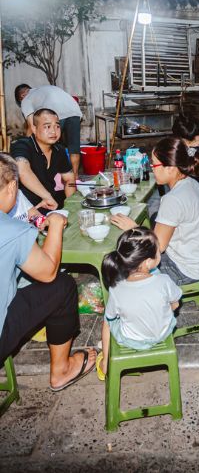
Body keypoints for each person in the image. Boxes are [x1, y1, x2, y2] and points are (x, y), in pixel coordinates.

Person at [0, 153, 96, 391]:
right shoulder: (10, 229)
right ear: (12, 186)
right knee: (62, 286)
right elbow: (48, 272)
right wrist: (55, 224)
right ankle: (61, 371)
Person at [111, 137, 199, 285]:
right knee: (154, 219)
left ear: (171, 168)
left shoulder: (173, 199)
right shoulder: (191, 183)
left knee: (122, 266)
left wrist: (133, 228)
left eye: (154, 165)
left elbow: (158, 247)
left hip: (185, 269)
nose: (152, 169)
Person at [98, 227, 182, 378]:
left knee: (107, 320)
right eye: (158, 251)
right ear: (148, 262)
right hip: (163, 332)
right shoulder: (164, 281)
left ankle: (105, 359)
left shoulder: (116, 289)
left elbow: (110, 320)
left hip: (133, 340)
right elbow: (175, 304)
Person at [11, 108, 76, 213]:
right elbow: (22, 171)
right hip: (24, 209)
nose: (53, 131)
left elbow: (69, 179)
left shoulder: (59, 150)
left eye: (57, 126)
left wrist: (71, 206)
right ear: (34, 129)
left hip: (49, 205)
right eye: (47, 126)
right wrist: (47, 196)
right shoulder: (22, 145)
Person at [14, 84, 82, 177]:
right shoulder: (43, 89)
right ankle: (74, 177)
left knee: (48, 145)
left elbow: (31, 126)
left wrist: (26, 146)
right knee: (73, 148)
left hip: (56, 114)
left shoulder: (26, 100)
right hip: (75, 111)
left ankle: (50, 176)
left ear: (21, 96)